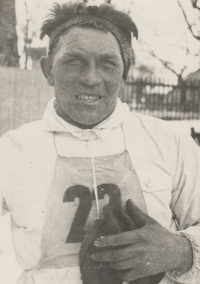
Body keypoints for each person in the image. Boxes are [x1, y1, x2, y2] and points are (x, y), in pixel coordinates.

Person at [0, 2, 200, 284]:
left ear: (125, 73)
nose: (91, 78)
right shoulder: (12, 149)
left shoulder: (169, 142)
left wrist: (183, 251)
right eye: (73, 61)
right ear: (47, 71)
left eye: (108, 63)